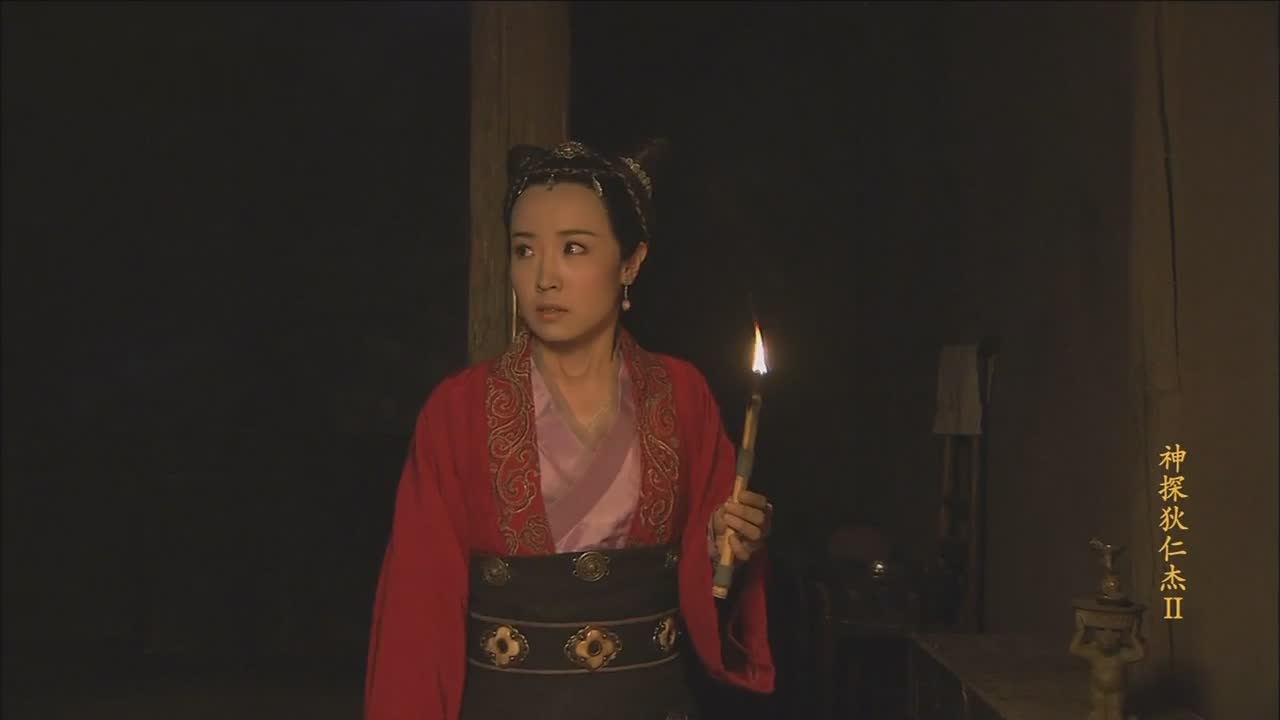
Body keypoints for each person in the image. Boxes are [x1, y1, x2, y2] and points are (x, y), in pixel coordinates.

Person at [364, 139, 776, 720]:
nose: (544, 278)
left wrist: (725, 542)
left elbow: (709, 580)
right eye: (524, 250)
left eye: (574, 248)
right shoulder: (458, 410)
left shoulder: (682, 395)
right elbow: (417, 609)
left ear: (631, 262)